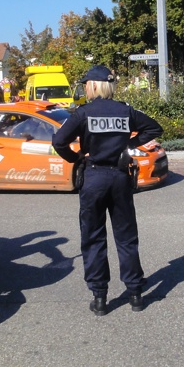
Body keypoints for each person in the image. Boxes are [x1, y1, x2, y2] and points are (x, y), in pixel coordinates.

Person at [51, 65, 163, 315]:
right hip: (120, 177)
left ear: (92, 85)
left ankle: (100, 298)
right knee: (126, 237)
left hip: (94, 177)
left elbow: (58, 141)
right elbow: (154, 128)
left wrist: (76, 157)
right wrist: (128, 144)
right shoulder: (125, 111)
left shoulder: (83, 113)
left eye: (85, 84)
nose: (84, 88)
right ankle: (135, 294)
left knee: (93, 237)